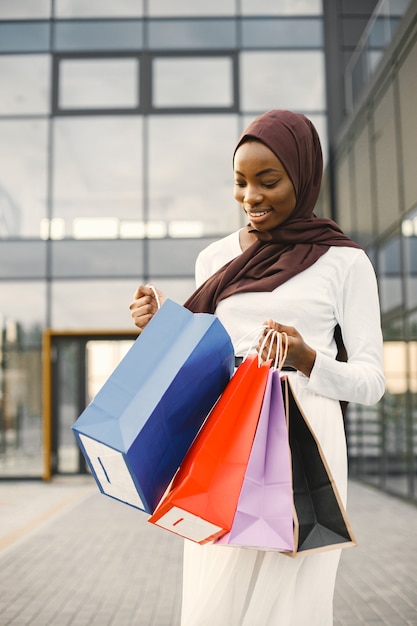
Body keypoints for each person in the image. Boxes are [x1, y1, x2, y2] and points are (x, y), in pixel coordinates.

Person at [129, 110, 385, 626]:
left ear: (304, 176)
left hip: (306, 440)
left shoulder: (344, 262)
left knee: (291, 597)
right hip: (228, 438)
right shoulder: (215, 259)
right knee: (215, 591)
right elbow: (201, 365)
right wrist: (160, 327)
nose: (251, 197)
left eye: (268, 181)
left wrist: (308, 358)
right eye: (241, 182)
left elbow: (372, 382)